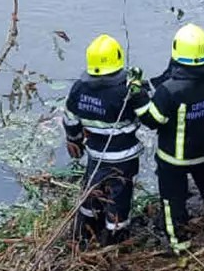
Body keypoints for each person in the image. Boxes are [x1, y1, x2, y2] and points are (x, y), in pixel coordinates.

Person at [136, 23, 204, 255]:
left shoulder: (170, 90)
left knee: (173, 201)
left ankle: (179, 244)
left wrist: (138, 97)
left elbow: (152, 120)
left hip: (173, 160)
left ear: (176, 51)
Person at [62, 34, 149, 248]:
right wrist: (140, 92)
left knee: (92, 188)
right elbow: (148, 116)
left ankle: (84, 231)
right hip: (124, 158)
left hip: (95, 155)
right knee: (120, 196)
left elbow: (70, 119)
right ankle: (116, 237)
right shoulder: (126, 91)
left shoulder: (79, 89)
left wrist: (75, 140)